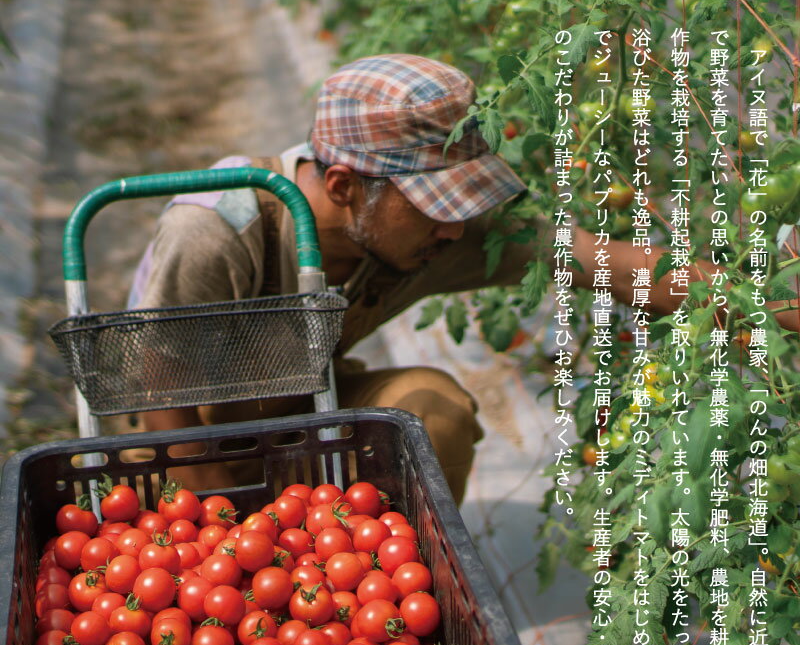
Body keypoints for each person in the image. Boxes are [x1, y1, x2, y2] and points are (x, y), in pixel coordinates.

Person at [126, 53, 798, 502]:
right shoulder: (220, 227)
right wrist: (228, 554)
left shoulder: (418, 232)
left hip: (303, 420)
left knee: (431, 408)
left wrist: (767, 302)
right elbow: (164, 409)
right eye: (436, 207)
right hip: (180, 454)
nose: (454, 229)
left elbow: (608, 265)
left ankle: (389, 606)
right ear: (344, 186)